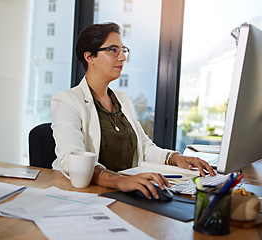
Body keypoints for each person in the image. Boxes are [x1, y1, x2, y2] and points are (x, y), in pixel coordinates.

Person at [51, 22, 215, 199]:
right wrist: (119, 181)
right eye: (113, 50)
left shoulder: (122, 99)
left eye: (123, 50)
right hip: (91, 195)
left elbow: (143, 147)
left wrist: (174, 158)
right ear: (90, 56)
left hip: (130, 190)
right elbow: (71, 159)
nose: (122, 57)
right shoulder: (67, 100)